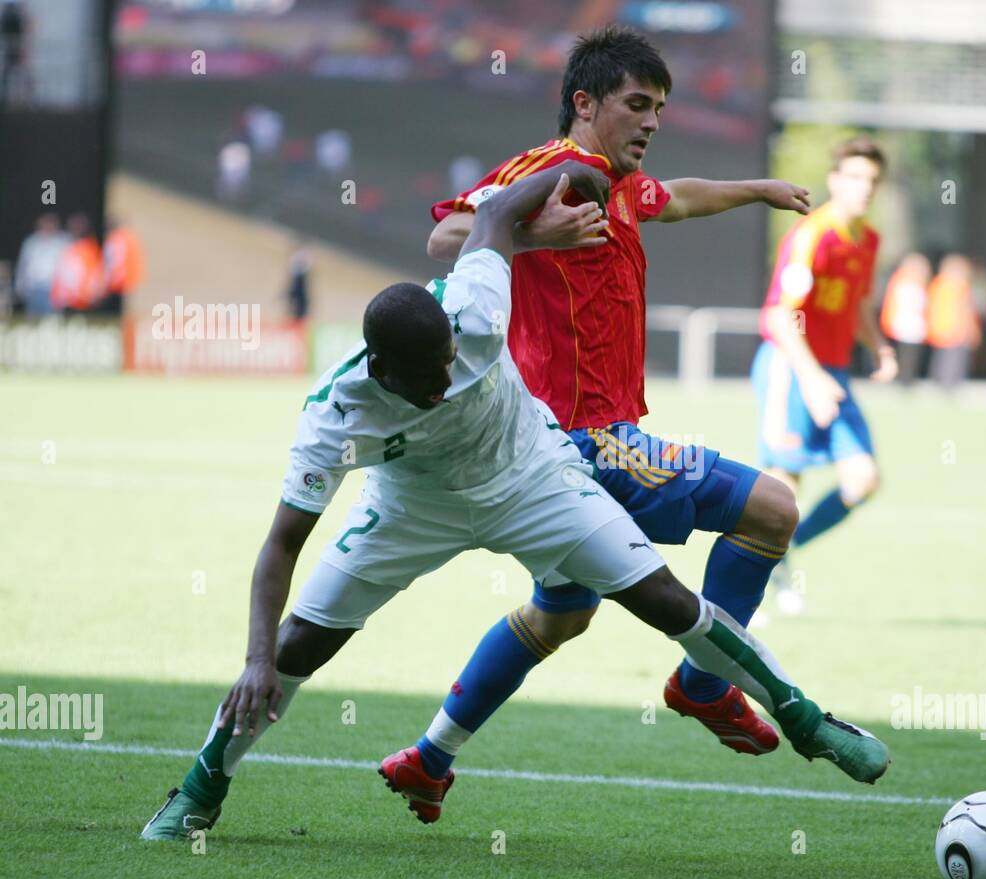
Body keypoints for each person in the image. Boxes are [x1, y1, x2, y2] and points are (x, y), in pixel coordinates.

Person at [140, 161, 889, 840]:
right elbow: (282, 544)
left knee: (664, 599)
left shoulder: (473, 308)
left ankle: (802, 718)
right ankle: (201, 787)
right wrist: (255, 657)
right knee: (297, 647)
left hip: (535, 476)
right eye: (424, 378)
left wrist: (573, 174)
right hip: (414, 507)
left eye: (448, 364)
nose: (443, 383)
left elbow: (495, 215)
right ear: (379, 369)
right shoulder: (336, 416)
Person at [426, 25, 813, 757]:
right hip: (586, 438)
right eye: (638, 103)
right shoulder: (551, 167)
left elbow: (682, 200)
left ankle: (429, 756)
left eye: (660, 108)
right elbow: (447, 240)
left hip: (552, 449)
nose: (653, 121)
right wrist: (539, 234)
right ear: (584, 102)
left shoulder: (618, 180)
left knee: (560, 614)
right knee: (772, 508)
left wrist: (759, 190)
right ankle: (702, 685)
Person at [751, 136, 896, 614]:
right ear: (835, 181)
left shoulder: (869, 241)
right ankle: (748, 586)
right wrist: (810, 377)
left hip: (831, 373)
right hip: (791, 368)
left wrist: (878, 347)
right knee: (782, 493)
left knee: (864, 478)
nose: (863, 188)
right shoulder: (813, 235)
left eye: (871, 180)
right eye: (854, 177)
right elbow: (780, 316)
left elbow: (857, 304)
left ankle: (782, 556)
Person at [925, 254, 981, 390]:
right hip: (952, 329)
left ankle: (944, 384)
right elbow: (962, 310)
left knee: (946, 359)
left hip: (945, 328)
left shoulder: (939, 284)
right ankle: (947, 385)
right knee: (950, 360)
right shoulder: (953, 286)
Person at [881, 252, 930, 386]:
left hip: (913, 325)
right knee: (903, 355)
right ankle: (901, 380)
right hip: (904, 324)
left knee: (910, 356)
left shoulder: (918, 284)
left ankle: (906, 380)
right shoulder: (902, 282)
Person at [13, 213, 69, 316]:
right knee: (33, 321)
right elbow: (23, 266)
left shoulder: (63, 242)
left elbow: (69, 268)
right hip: (34, 288)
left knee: (52, 322)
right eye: (44, 224)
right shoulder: (31, 243)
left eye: (50, 223)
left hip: (54, 289)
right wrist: (20, 286)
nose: (47, 226)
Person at [49, 214, 102, 314]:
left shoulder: (90, 248)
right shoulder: (66, 246)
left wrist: (93, 294)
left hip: (84, 300)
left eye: (78, 226)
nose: (75, 229)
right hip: (66, 300)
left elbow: (95, 274)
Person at [101, 218, 145, 317]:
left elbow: (115, 264)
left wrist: (108, 283)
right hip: (126, 283)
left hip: (118, 285)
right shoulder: (128, 238)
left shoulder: (116, 240)